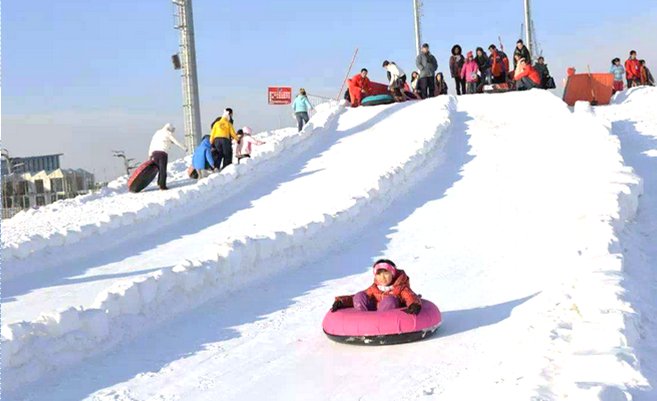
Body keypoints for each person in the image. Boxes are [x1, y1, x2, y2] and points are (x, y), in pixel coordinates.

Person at [330, 259, 422, 315]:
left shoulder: (401, 287)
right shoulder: (375, 287)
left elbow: (410, 296)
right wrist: (341, 301)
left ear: (393, 274)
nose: (382, 278)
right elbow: (355, 298)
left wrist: (414, 304)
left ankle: (380, 322)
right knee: (359, 295)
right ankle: (362, 319)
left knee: (390, 300)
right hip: (371, 315)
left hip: (389, 316)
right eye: (379, 274)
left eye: (386, 273)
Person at [148, 123, 186, 190]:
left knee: (159, 169)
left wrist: (150, 155)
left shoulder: (157, 133)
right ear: (169, 129)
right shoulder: (168, 133)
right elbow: (176, 141)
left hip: (154, 153)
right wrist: (184, 148)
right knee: (163, 169)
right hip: (162, 153)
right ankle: (162, 186)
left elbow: (152, 143)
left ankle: (159, 182)